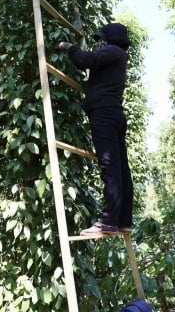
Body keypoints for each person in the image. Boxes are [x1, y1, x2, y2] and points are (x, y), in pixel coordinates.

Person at [57, 23, 134, 235]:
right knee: (121, 169)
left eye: (102, 39)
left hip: (104, 114)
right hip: (114, 113)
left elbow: (85, 61)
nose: (100, 43)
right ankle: (124, 220)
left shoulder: (112, 51)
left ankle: (108, 221)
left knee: (109, 166)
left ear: (111, 39)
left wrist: (71, 48)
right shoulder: (119, 55)